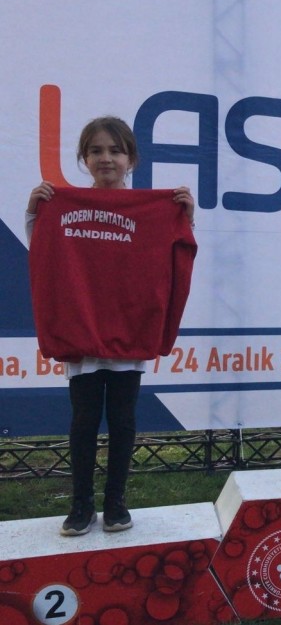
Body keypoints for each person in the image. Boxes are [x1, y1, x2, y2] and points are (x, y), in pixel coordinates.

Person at [26, 116, 195, 535]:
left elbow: (176, 253)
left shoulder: (151, 209)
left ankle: (116, 502)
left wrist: (185, 216)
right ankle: (81, 505)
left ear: (131, 159)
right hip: (82, 331)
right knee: (84, 420)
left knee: (122, 420)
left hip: (128, 330)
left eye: (115, 151)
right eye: (96, 151)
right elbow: (43, 250)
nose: (106, 158)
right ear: (83, 159)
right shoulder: (65, 204)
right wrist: (35, 211)